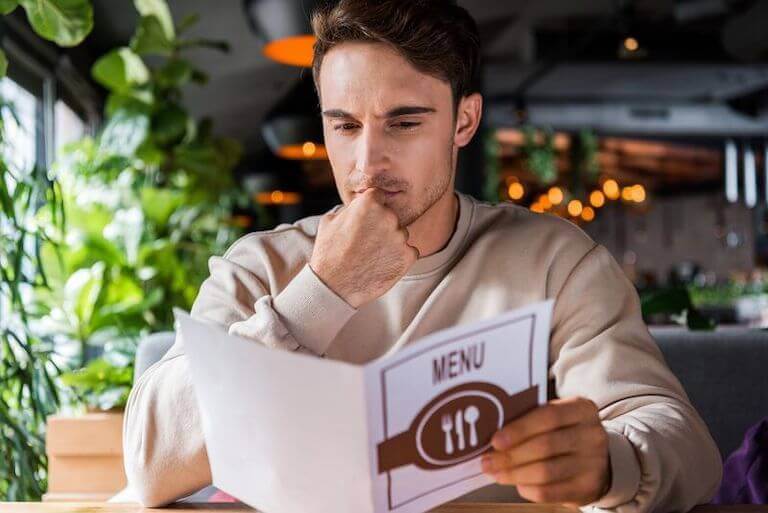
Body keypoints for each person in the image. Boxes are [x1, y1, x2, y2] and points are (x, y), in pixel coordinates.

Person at [122, 0, 722, 511]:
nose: (366, 164)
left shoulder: (555, 260)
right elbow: (150, 465)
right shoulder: (261, 265)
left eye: (404, 122)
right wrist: (322, 291)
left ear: (464, 121)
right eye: (345, 126)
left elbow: (684, 442)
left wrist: (610, 462)